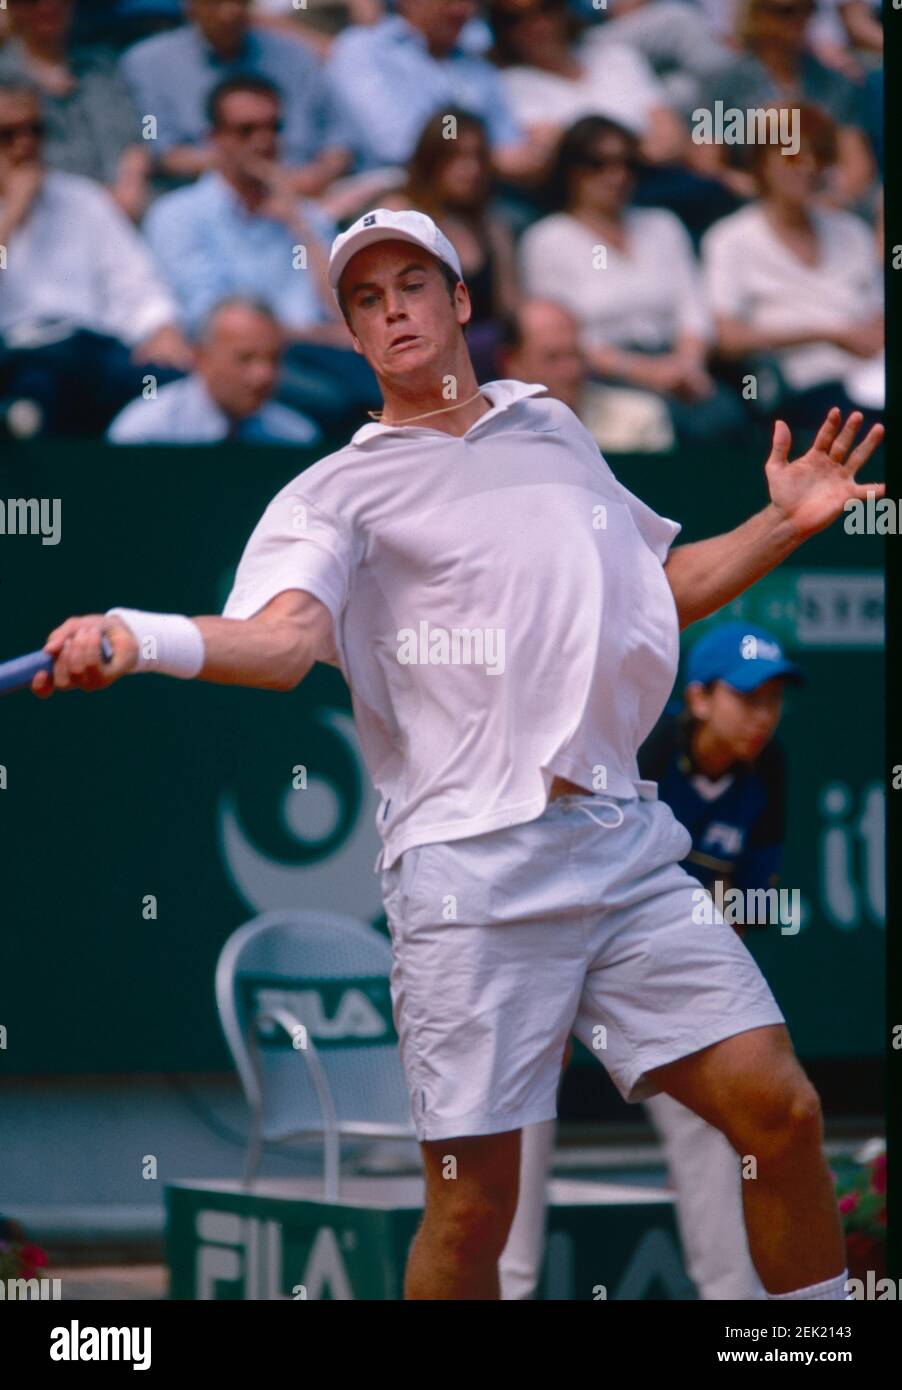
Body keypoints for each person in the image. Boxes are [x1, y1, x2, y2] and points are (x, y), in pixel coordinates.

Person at [34, 206, 883, 1304]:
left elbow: (651, 595)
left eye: (412, 287)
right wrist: (138, 635)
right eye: (366, 300)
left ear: (459, 301)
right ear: (350, 333)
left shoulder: (550, 425)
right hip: (467, 875)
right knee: (474, 1208)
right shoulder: (332, 494)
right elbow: (287, 644)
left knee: (780, 1109)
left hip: (620, 845)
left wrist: (779, 527)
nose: (393, 312)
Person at [501, 621, 806, 1300]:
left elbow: (748, 899)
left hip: (661, 963)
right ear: (697, 698)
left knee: (713, 1118)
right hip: (558, 939)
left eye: (774, 699)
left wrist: (698, 998)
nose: (763, 716)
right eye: (747, 697)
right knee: (516, 1115)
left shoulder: (771, 768)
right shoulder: (638, 746)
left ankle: (738, 1305)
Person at [142, 75, 380, 434]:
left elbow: (343, 310)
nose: (264, 141)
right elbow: (211, 321)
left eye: (273, 128)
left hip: (321, 356)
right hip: (243, 363)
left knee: (391, 382)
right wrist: (317, 334)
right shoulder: (179, 215)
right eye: (246, 130)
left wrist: (297, 221)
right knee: (346, 403)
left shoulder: (304, 216)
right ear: (215, 140)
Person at [520, 115, 747, 447]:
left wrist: (687, 365)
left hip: (680, 365)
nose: (617, 176)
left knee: (730, 417)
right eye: (599, 164)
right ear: (572, 170)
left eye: (627, 163)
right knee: (664, 423)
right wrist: (645, 371)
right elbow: (557, 335)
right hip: (601, 375)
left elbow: (692, 309)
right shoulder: (547, 240)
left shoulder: (662, 225)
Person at [0, 78, 191, 436]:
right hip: (14, 353)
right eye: (7, 134)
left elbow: (135, 280)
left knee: (174, 383)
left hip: (89, 350)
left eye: (35, 131)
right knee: (38, 387)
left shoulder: (82, 199)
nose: (24, 145)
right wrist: (11, 215)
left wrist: (161, 327)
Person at [701, 103, 883, 430]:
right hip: (800, 388)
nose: (809, 166)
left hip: (873, 377)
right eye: (793, 155)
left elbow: (875, 309)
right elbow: (728, 338)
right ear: (761, 162)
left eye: (820, 156)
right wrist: (828, 334)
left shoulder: (851, 230)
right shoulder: (729, 239)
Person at [119, 0, 351, 194]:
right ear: (189, 5)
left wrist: (318, 177)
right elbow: (160, 151)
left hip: (312, 195)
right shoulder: (146, 63)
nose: (231, 12)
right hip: (205, 202)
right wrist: (256, 172)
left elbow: (339, 137)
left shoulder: (295, 54)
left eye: (239, 1)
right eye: (216, 2)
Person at [688, 0, 875, 210]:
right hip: (750, 208)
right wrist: (764, 193)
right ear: (756, 16)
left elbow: (857, 163)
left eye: (808, 9)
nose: (799, 19)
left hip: (825, 202)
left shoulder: (836, 83)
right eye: (785, 11)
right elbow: (706, 162)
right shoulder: (722, 83)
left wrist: (832, 202)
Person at [326, 0, 538, 180]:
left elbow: (511, 143)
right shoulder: (364, 49)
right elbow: (398, 147)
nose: (461, 9)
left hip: (479, 197)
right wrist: (487, 155)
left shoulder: (477, 66)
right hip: (395, 195)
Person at [380, 108, 519, 380]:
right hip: (423, 356)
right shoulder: (401, 216)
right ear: (431, 160)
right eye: (456, 157)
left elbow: (511, 314)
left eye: (478, 157)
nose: (472, 170)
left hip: (487, 363)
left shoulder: (491, 226)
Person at [488, 0, 687, 167]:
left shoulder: (617, 56)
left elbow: (671, 133)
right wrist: (639, 148)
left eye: (546, 8)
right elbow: (561, 149)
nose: (536, 25)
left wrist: (618, 156)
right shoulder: (511, 83)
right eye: (515, 19)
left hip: (664, 175)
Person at [0, 0, 150, 220]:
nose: (47, 6)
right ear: (13, 8)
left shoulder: (102, 63)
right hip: (51, 213)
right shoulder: (5, 77)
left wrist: (133, 175)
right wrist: (98, 202)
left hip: (131, 203)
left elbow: (146, 126)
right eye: (31, 1)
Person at [107, 296, 320, 444]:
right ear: (201, 357)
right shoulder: (144, 434)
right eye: (245, 358)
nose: (263, 375)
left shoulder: (296, 437)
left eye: (273, 359)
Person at [497, 298, 675, 452]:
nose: (571, 371)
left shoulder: (640, 419)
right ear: (512, 363)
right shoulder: (493, 434)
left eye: (575, 354)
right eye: (553, 358)